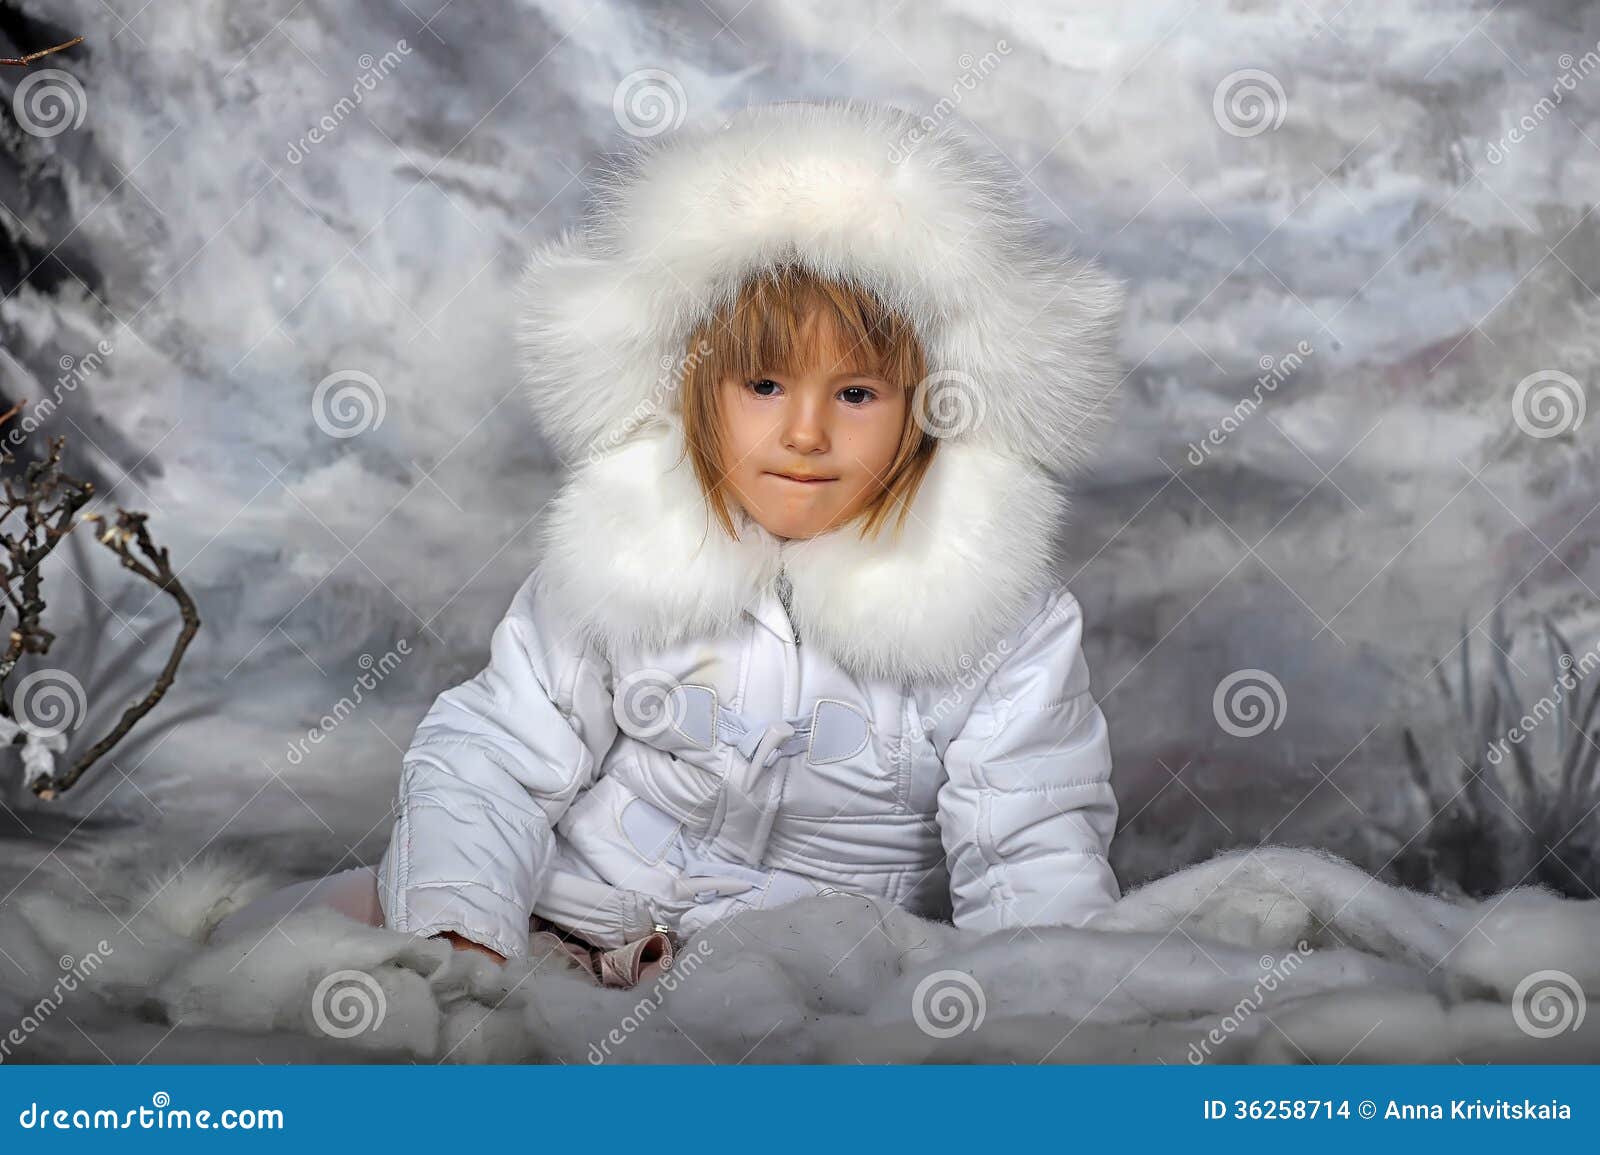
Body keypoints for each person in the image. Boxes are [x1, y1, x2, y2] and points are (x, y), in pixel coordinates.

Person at [215, 99, 1127, 986]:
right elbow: (494, 751)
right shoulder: (624, 558)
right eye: (764, 385)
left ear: (931, 413)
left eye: (856, 395)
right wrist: (465, 929)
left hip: (806, 965)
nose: (805, 433)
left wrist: (1045, 1011)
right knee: (312, 956)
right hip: (568, 909)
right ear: (698, 390)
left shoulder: (998, 615)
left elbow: (1030, 838)